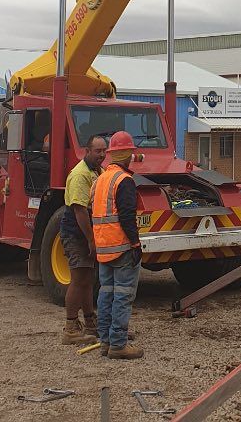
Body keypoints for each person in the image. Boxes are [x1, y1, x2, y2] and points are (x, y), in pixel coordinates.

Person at [90, 131, 144, 360]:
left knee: (107, 294)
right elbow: (127, 216)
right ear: (127, 155)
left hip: (104, 247)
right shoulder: (125, 181)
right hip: (121, 246)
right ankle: (119, 344)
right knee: (123, 294)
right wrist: (135, 243)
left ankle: (106, 341)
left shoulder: (101, 178)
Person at [59, 134, 107, 345]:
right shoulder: (79, 175)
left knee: (87, 280)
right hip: (76, 231)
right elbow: (79, 211)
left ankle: (89, 323)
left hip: (88, 230)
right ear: (87, 151)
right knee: (78, 280)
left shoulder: (98, 171)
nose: (102, 155)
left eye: (104, 151)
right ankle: (70, 327)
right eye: (98, 151)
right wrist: (90, 240)